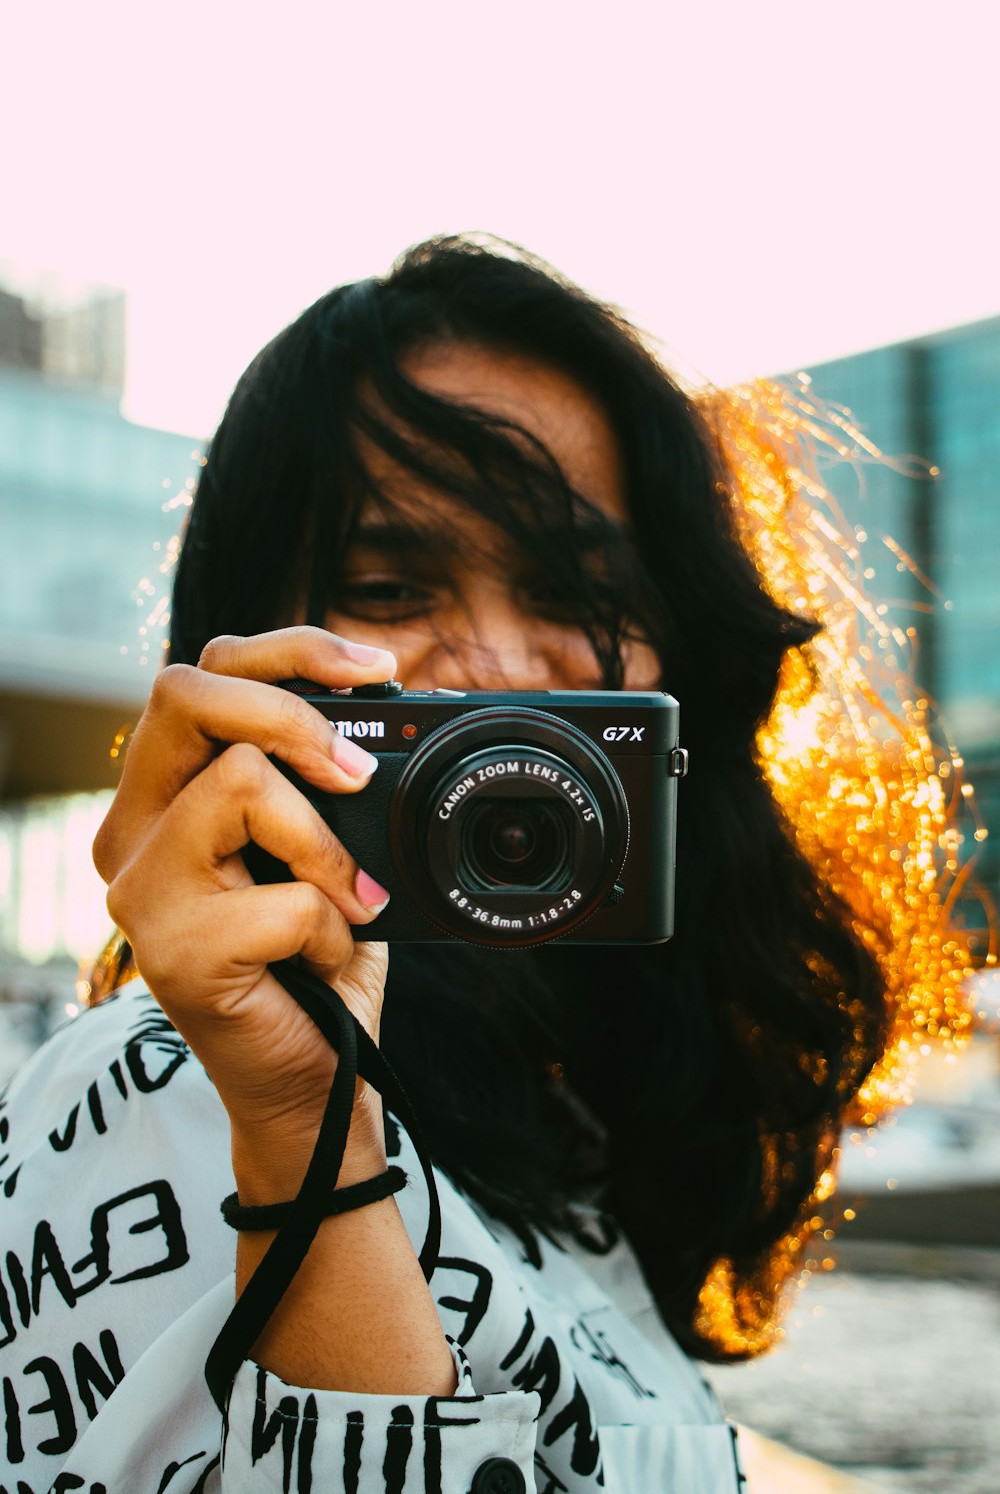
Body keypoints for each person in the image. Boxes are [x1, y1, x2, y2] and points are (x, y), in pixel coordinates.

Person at [0, 236, 971, 1492]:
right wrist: (300, 1129)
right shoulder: (176, 1086)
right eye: (392, 584)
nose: (499, 666)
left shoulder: (565, 1102)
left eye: (577, 590)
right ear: (245, 663)